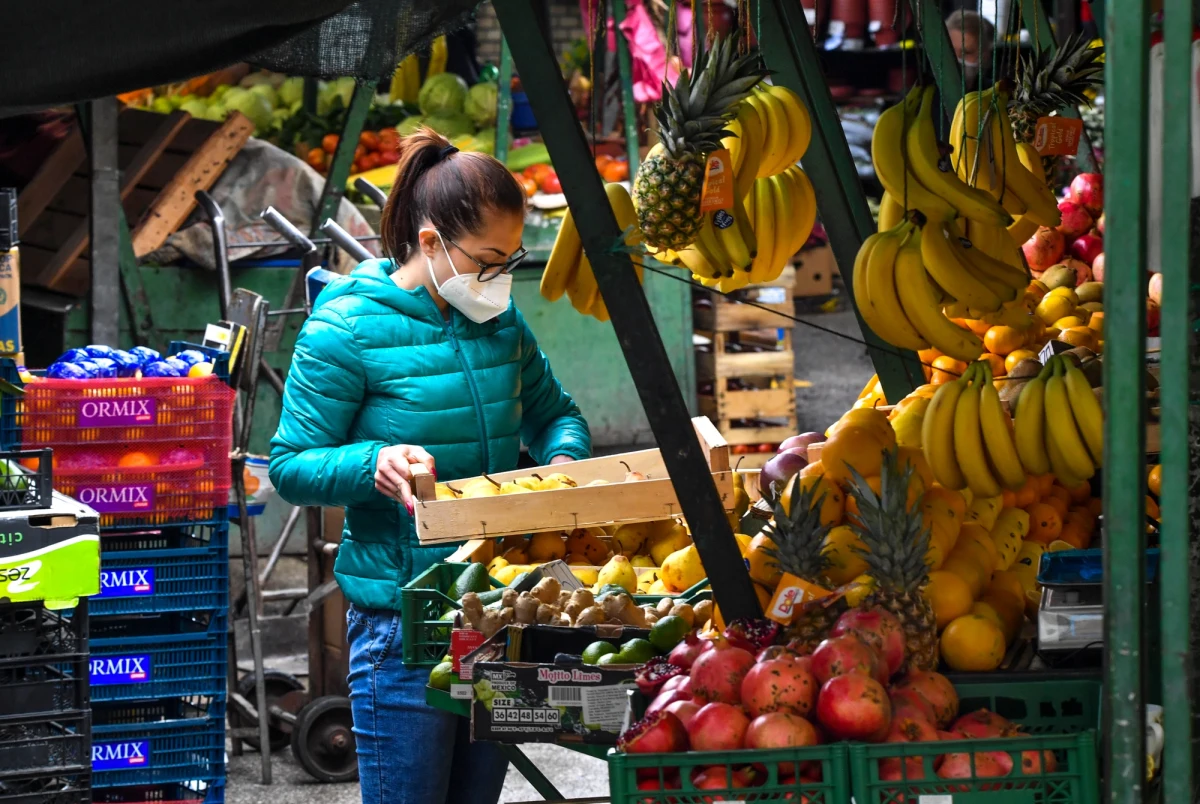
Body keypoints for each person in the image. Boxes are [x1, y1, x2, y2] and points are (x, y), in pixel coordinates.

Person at [269, 129, 592, 804]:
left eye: (510, 260)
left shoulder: (501, 323)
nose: (500, 277)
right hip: (402, 626)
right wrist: (373, 461)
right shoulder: (344, 329)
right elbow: (291, 464)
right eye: (488, 260)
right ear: (431, 242)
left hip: (500, 613)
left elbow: (556, 414)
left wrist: (563, 468)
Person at [945, 10, 995, 90]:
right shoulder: (927, 92)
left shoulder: (995, 93)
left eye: (965, 52)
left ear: (984, 56)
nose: (955, 59)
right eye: (950, 50)